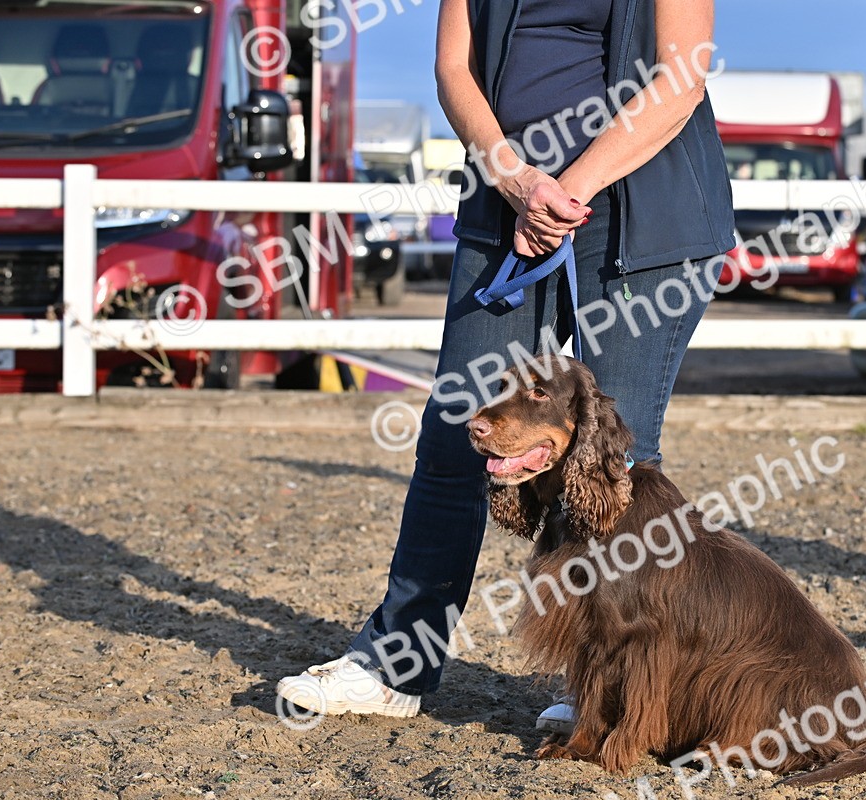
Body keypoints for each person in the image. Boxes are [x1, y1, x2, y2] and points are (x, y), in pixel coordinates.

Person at [277, 0, 736, 729]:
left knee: (614, 458)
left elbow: (681, 78)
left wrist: (569, 191)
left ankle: (611, 687)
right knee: (459, 428)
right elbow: (453, 69)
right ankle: (394, 664)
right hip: (506, 205)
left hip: (641, 220)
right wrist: (519, 181)